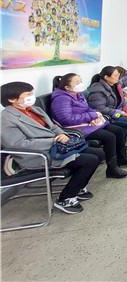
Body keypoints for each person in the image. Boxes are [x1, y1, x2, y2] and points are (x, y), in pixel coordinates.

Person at [1, 82, 101, 214]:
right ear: (12, 99)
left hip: (56, 148)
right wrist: (53, 141)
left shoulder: (33, 110)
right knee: (89, 160)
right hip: (37, 156)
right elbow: (18, 144)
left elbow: (53, 127)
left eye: (32, 93)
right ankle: (65, 199)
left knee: (98, 154)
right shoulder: (6, 118)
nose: (32, 97)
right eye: (28, 94)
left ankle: (78, 187)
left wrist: (62, 134)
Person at [50, 74, 127, 178]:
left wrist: (95, 116)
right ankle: (112, 168)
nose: (80, 84)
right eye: (77, 83)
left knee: (118, 130)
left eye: (80, 81)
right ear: (67, 87)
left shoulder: (78, 95)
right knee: (109, 136)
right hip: (75, 128)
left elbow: (88, 109)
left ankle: (122, 158)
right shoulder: (61, 99)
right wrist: (91, 116)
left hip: (87, 124)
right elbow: (66, 119)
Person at [88, 67, 127, 136]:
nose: (118, 77)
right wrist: (119, 113)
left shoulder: (116, 85)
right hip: (106, 115)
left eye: (118, 75)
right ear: (106, 77)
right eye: (115, 75)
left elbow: (122, 100)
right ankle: (121, 140)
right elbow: (100, 108)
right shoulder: (98, 89)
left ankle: (124, 138)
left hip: (116, 112)